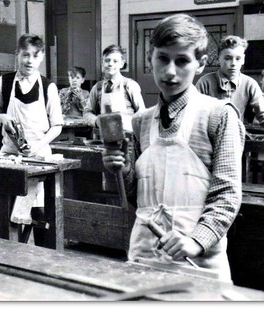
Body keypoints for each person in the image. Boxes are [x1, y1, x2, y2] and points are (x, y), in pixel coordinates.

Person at [101, 14, 245, 282]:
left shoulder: (219, 116)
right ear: (150, 59)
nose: (170, 71)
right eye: (162, 58)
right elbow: (135, 196)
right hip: (144, 258)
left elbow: (227, 195)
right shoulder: (141, 122)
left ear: (200, 64)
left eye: (182, 61)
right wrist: (117, 170)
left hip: (199, 264)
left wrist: (196, 241)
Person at [0, 33, 63, 245]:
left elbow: (57, 125)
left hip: (39, 159)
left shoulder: (48, 87)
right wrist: (2, 118)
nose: (29, 60)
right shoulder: (5, 82)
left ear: (42, 58)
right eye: (25, 55)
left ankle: (43, 255)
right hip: (10, 155)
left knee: (40, 213)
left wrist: (38, 145)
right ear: (16, 55)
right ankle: (9, 252)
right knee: (7, 210)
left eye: (35, 56)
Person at [195, 35, 264, 140]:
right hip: (207, 139)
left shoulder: (250, 84)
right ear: (218, 59)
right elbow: (194, 117)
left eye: (238, 58)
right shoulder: (205, 82)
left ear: (243, 60)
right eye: (228, 58)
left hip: (236, 140)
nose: (233, 63)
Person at [83, 44, 145, 132]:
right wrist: (97, 121)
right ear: (102, 62)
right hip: (104, 136)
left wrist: (127, 122)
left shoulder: (129, 85)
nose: (110, 64)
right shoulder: (97, 88)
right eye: (107, 60)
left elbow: (142, 112)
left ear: (122, 64)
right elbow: (87, 112)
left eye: (115, 61)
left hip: (128, 137)